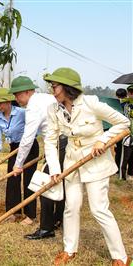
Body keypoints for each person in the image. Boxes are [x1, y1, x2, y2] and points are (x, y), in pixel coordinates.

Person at [43, 67, 131, 266]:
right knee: (71, 207)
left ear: (67, 88)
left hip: (96, 162)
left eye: (55, 86)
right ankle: (69, 250)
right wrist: (55, 170)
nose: (52, 90)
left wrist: (104, 140)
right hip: (72, 162)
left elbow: (124, 124)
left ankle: (120, 257)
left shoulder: (90, 103)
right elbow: (50, 140)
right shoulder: (53, 109)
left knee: (99, 209)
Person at [9, 76, 61, 231]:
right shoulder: (47, 97)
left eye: (17, 94)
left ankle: (47, 226)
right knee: (61, 182)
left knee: (46, 182)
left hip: (57, 145)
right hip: (60, 143)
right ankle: (58, 219)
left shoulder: (33, 106)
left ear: (26, 92)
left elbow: (27, 138)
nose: (16, 98)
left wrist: (18, 165)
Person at [0, 88, 33, 222]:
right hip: (14, 148)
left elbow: (34, 130)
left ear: (9, 102)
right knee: (12, 178)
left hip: (29, 146)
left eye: (0, 103)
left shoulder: (22, 113)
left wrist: (26, 141)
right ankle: (13, 212)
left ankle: (30, 215)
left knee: (28, 181)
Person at [119, 85, 133, 181]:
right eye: (131, 93)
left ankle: (131, 174)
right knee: (125, 157)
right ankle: (122, 176)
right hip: (128, 133)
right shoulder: (126, 104)